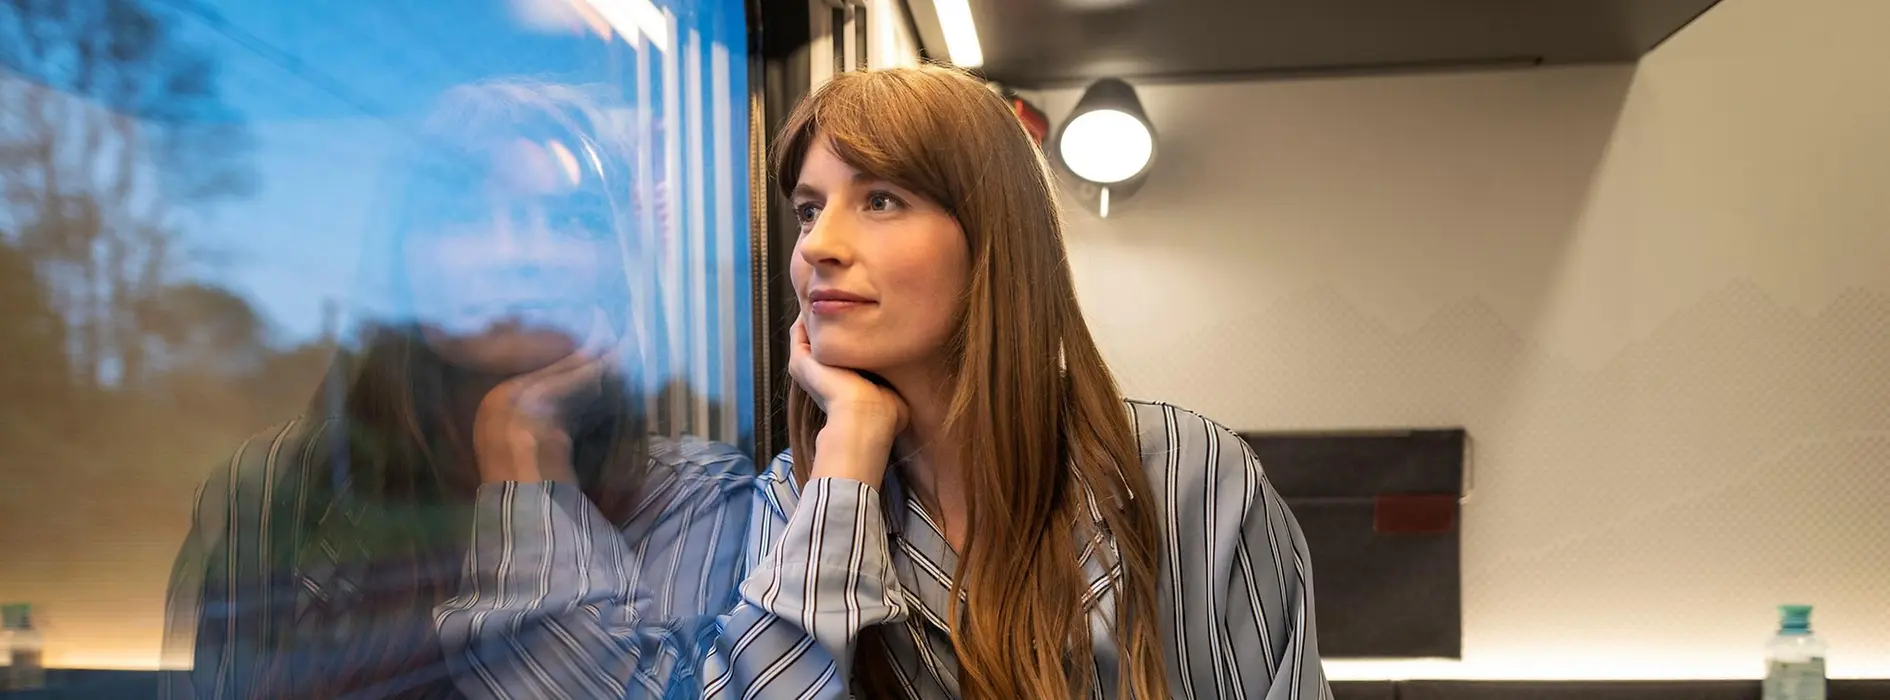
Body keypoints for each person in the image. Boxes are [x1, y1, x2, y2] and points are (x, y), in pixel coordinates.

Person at [442, 65, 1328, 699]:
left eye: (881, 199)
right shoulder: (800, 501)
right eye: (808, 209)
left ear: (992, 240)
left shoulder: (1179, 472)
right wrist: (851, 449)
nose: (820, 244)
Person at [162, 79, 751, 700]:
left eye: (567, 220)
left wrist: (525, 455)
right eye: (467, 216)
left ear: (613, 265)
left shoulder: (697, 496)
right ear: (403, 261)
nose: (517, 253)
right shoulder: (281, 485)